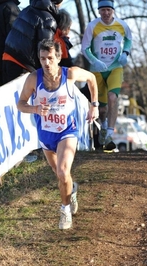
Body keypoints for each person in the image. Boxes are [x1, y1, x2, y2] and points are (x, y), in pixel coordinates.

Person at [17, 39, 99, 230]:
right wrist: (35, 109)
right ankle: (73, 190)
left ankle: (65, 210)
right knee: (61, 175)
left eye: (50, 58)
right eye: (42, 58)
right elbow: (20, 103)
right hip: (46, 135)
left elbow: (92, 79)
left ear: (58, 57)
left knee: (62, 172)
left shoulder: (69, 74)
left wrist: (94, 105)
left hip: (67, 132)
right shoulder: (33, 79)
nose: (46, 63)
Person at [81, 0, 132, 151]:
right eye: (102, 10)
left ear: (113, 11)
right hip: (97, 71)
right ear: (99, 11)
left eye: (108, 10)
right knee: (101, 109)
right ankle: (103, 128)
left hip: (115, 68)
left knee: (113, 97)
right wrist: (94, 61)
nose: (106, 13)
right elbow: (85, 48)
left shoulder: (122, 25)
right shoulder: (92, 26)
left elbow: (129, 40)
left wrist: (125, 53)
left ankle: (110, 132)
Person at [2, 0, 62, 84]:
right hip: (23, 64)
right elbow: (45, 50)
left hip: (8, 57)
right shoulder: (48, 19)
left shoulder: (27, 10)